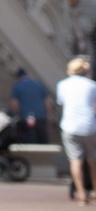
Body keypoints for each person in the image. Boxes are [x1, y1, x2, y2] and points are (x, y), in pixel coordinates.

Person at [58, 57, 96, 205]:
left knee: (75, 160)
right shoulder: (92, 85)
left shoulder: (63, 85)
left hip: (70, 126)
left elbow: (62, 103)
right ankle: (94, 190)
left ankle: (81, 194)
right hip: (89, 125)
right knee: (93, 159)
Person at [10, 66, 54, 144]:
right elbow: (48, 100)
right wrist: (48, 114)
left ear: (18, 76)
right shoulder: (38, 84)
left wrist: (16, 113)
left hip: (27, 117)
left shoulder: (17, 86)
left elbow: (14, 103)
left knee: (29, 139)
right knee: (42, 139)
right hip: (40, 116)